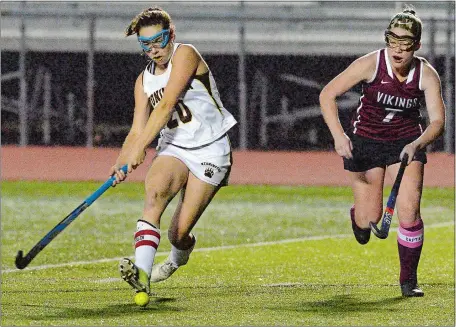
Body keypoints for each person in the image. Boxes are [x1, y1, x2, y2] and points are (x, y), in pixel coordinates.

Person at [109, 6, 237, 298]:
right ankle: (142, 276)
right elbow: (136, 129)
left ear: (172, 34)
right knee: (154, 193)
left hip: (211, 147)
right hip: (175, 146)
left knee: (178, 234)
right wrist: (120, 162)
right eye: (146, 44)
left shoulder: (186, 54)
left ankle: (176, 259)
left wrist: (141, 148)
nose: (154, 49)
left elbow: (167, 104)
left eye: (159, 40)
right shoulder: (143, 81)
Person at [319, 6, 445, 297]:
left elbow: (438, 121)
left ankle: (408, 281)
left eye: (406, 42)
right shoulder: (370, 64)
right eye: (393, 39)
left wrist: (417, 144)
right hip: (365, 143)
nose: (398, 49)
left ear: (417, 45)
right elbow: (327, 94)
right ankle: (358, 216)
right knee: (368, 220)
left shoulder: (426, 74)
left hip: (405, 144)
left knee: (410, 211)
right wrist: (339, 136)